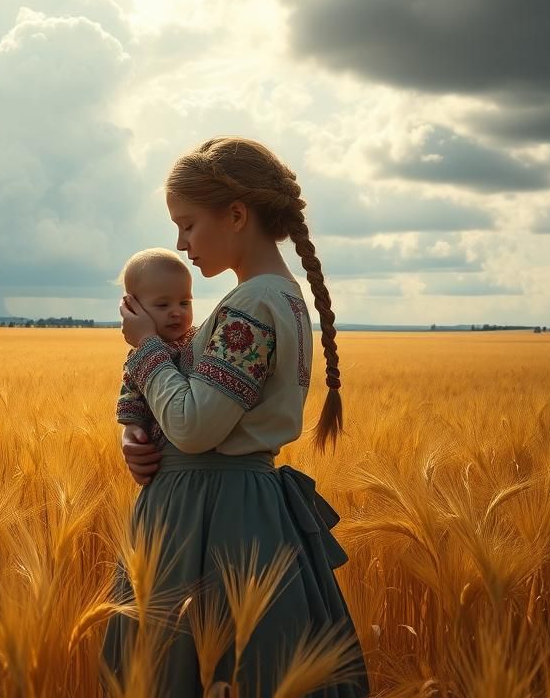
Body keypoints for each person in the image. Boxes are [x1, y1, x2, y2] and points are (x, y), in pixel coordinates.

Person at [101, 137, 369, 697]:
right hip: (244, 508)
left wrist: (146, 346)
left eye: (189, 224)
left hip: (209, 519)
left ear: (237, 215)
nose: (181, 243)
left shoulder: (250, 305)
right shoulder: (281, 296)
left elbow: (196, 426)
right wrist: (136, 430)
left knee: (191, 672)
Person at [115, 248, 197, 447]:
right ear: (133, 309)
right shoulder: (139, 358)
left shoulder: (199, 340)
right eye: (163, 305)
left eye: (184, 303)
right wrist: (132, 427)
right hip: (162, 455)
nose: (176, 312)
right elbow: (131, 398)